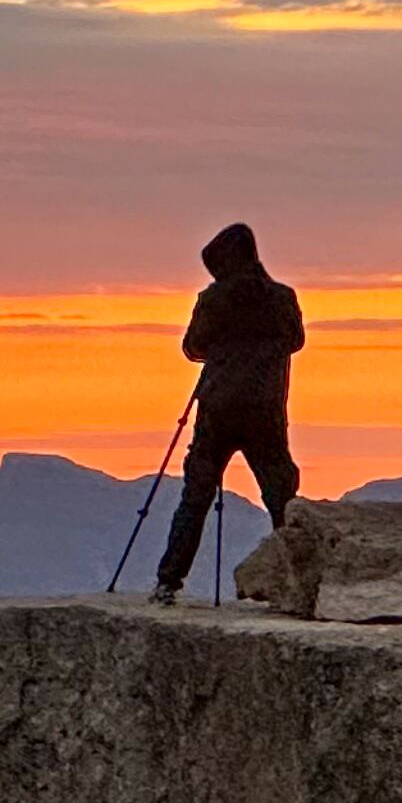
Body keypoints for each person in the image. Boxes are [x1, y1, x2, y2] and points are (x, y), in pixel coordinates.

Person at [149, 220, 305, 604]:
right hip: (264, 408)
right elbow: (296, 342)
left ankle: (169, 580)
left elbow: (194, 347)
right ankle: (300, 576)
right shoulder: (281, 298)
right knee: (280, 492)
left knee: (196, 495)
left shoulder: (213, 299)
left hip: (217, 407)